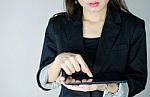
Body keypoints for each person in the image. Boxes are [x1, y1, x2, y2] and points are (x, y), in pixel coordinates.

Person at [36, 0, 147, 97]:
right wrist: (59, 61)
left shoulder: (134, 26)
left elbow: (138, 79)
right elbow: (44, 81)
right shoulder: (57, 25)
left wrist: (106, 86)